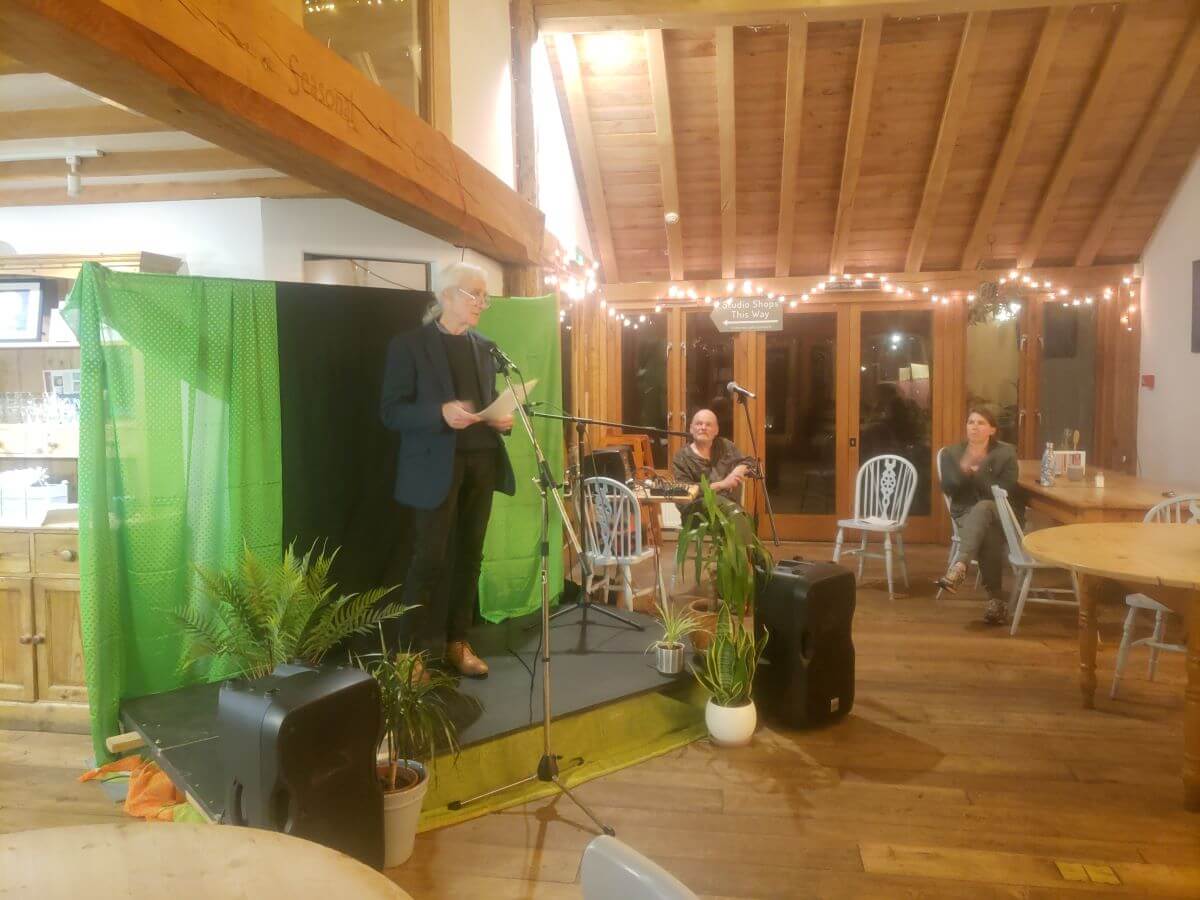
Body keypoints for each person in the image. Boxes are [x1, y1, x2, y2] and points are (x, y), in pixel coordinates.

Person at [380, 262, 515, 677]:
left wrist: (499, 417)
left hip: (482, 461)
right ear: (446, 295)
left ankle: (457, 643)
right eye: (475, 294)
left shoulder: (486, 347)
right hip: (434, 468)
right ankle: (409, 653)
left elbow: (486, 402)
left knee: (470, 557)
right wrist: (439, 412)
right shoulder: (409, 345)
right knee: (429, 559)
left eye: (484, 295)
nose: (482, 303)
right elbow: (392, 411)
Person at [936, 405, 1019, 625]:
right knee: (987, 530)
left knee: (984, 507)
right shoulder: (952, 453)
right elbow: (949, 488)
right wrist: (963, 472)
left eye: (981, 423)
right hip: (965, 511)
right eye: (971, 422)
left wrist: (979, 473)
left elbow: (1006, 491)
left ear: (992, 430)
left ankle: (959, 566)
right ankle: (996, 601)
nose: (974, 427)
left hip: (998, 511)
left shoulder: (1005, 453)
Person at [671, 409, 755, 519]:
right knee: (734, 514)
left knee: (745, 517)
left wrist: (737, 470)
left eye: (708, 424)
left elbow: (750, 462)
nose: (703, 427)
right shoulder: (681, 456)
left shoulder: (725, 446)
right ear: (691, 428)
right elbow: (685, 489)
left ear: (716, 430)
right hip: (695, 510)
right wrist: (722, 484)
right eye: (699, 424)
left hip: (727, 507)